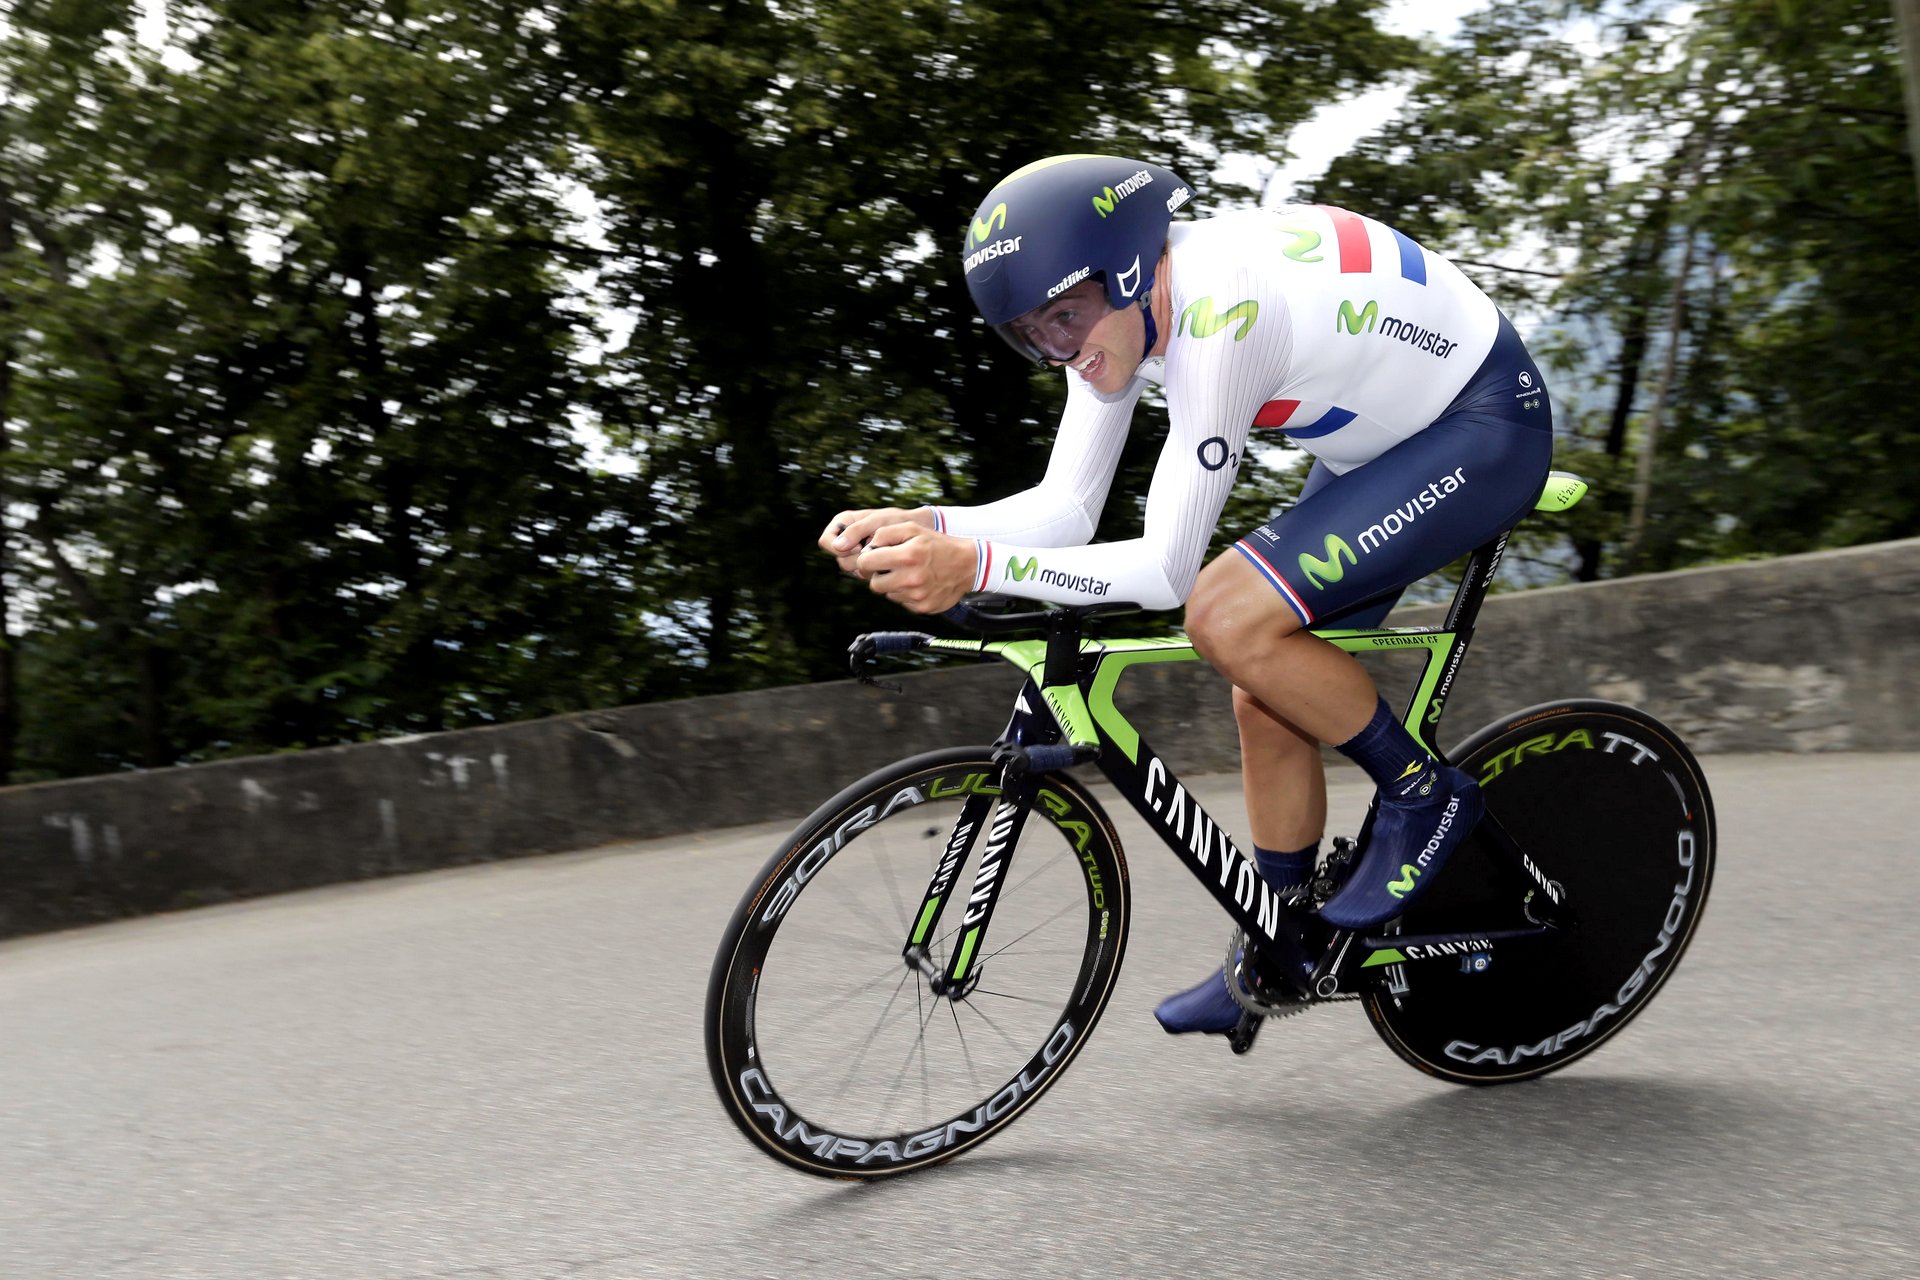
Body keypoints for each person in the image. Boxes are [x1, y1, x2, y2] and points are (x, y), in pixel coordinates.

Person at [818, 153, 1553, 1038]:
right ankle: (1275, 945)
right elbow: (1065, 508)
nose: (1059, 350)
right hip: (1387, 448)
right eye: (1031, 336)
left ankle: (1422, 792)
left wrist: (970, 567)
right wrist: (926, 523)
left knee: (1223, 613)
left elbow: (1169, 573)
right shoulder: (1114, 320)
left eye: (1065, 321)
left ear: (1127, 270)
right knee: (1264, 685)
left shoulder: (1220, 312)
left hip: (1483, 426)